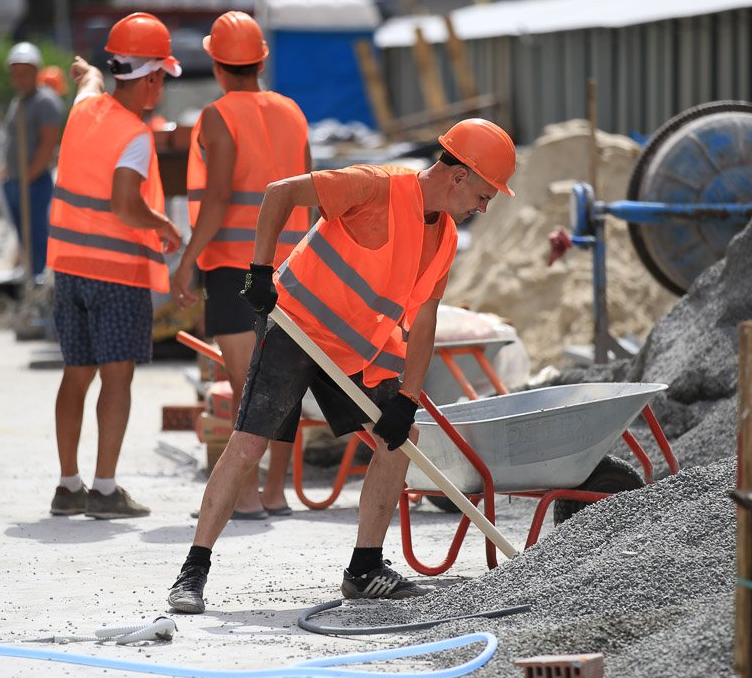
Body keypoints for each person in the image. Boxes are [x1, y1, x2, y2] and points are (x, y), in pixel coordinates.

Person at [166, 118, 516, 613]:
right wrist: (261, 270)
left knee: (400, 438)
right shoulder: (377, 186)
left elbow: (426, 317)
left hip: (356, 354)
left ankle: (365, 568)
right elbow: (280, 193)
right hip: (296, 327)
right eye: (485, 193)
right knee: (248, 444)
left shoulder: (446, 239)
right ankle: (192, 572)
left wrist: (409, 399)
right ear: (459, 176)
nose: (485, 205)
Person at [171, 11, 311, 519]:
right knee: (284, 378)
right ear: (260, 60)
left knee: (247, 382)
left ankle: (247, 498)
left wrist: (187, 260)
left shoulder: (216, 116)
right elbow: (312, 195)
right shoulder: (292, 112)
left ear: (216, 62)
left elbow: (218, 196)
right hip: (292, 265)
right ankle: (275, 492)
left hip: (234, 267)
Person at [45, 12, 184, 519]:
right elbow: (126, 204)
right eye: (161, 78)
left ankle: (67, 486)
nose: (162, 87)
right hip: (117, 273)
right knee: (117, 379)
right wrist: (164, 227)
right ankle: (104, 490)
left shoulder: (83, 112)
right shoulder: (136, 135)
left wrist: (89, 74)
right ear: (148, 79)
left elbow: (89, 86)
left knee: (75, 374)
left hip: (69, 267)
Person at [3, 41, 63, 280]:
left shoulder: (45, 102)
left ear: (36, 73)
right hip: (16, 181)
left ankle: (39, 282)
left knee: (37, 236)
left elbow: (48, 144)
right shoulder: (18, 101)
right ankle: (29, 277)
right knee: (23, 238)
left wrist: (29, 176)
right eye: (15, 74)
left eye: (24, 73)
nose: (19, 79)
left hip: (34, 183)